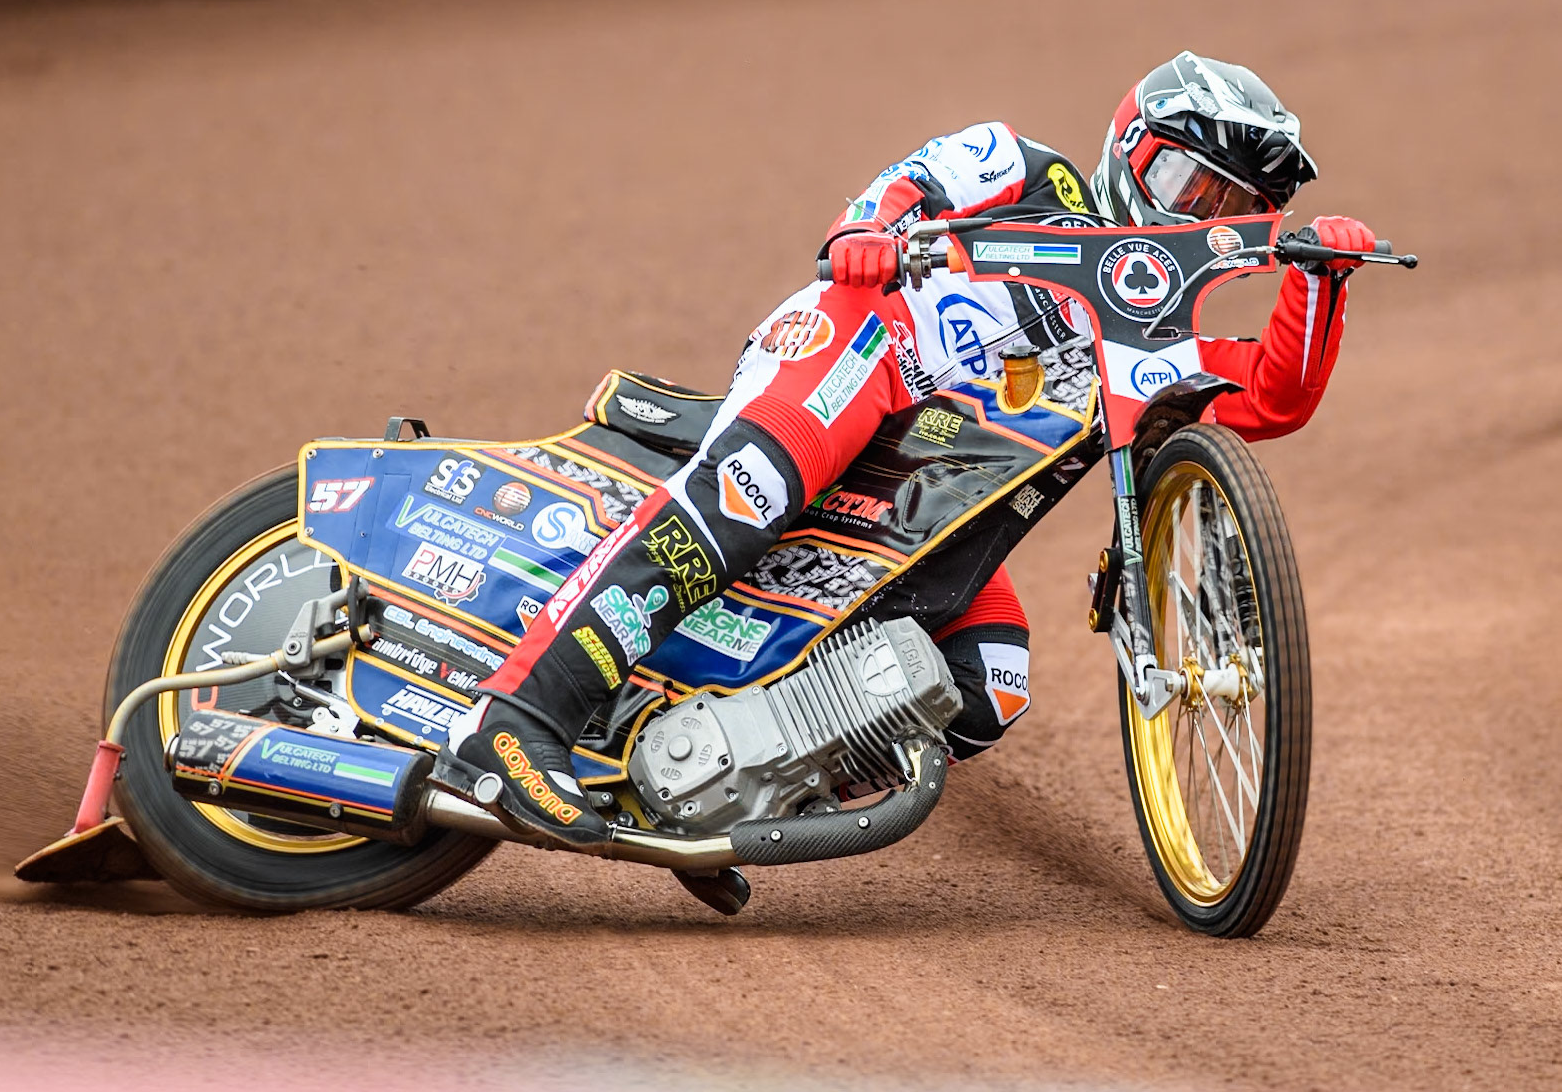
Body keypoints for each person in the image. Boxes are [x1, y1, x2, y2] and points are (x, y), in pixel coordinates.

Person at [433, 50, 1376, 846]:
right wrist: (869, 233)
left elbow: (1270, 396)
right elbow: (912, 182)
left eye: (1227, 205)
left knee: (989, 682)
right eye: (1184, 182)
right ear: (1131, 153)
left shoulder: (1152, 348)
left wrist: (1320, 281)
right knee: (753, 487)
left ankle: (734, 774)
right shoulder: (1026, 167)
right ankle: (515, 720)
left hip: (928, 497)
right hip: (862, 350)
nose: (1194, 215)